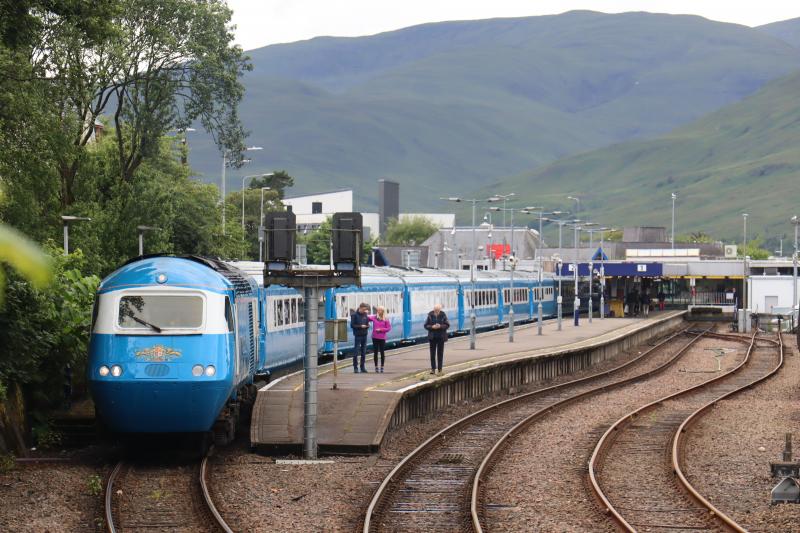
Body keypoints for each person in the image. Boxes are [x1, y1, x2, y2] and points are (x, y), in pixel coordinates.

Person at [424, 303, 450, 375]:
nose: (436, 312)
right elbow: (425, 325)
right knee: (432, 354)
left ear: (440, 310)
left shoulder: (443, 315)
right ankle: (433, 369)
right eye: (435, 310)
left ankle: (440, 369)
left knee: (440, 354)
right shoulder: (430, 315)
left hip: (441, 337)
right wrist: (432, 327)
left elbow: (447, 325)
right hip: (432, 337)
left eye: (438, 310)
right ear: (433, 309)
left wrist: (440, 326)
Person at [368, 306, 392, 373]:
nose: (378, 311)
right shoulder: (375, 317)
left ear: (383, 311)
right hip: (375, 337)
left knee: (382, 352)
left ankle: (382, 366)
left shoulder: (386, 319)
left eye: (379, 310)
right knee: (375, 352)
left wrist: (381, 330)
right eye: (378, 310)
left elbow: (388, 328)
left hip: (382, 338)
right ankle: (376, 367)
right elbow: (367, 318)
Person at [350, 303, 370, 373]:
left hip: (364, 335)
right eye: (363, 309)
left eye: (365, 310)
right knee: (356, 352)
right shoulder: (354, 315)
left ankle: (362, 367)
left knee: (363, 352)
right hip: (358, 335)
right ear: (360, 308)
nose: (364, 311)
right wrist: (360, 326)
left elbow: (367, 323)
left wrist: (367, 326)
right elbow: (352, 325)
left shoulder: (365, 315)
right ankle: (355, 367)